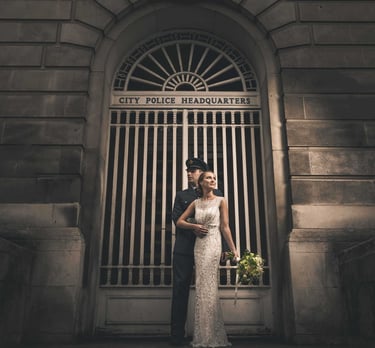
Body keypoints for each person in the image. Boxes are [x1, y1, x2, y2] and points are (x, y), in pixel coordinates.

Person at [176, 171, 239, 348]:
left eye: (214, 178)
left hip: (213, 244)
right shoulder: (196, 203)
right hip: (199, 246)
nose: (213, 180)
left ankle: (212, 335)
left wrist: (233, 250)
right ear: (202, 182)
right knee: (202, 287)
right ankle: (202, 335)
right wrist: (194, 226)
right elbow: (180, 221)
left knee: (210, 286)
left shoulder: (221, 200)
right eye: (209, 178)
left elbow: (225, 227)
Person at [170, 158, 222, 346]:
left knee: (208, 290)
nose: (189, 173)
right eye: (188, 170)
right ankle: (176, 335)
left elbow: (222, 224)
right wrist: (194, 226)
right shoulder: (181, 195)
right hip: (184, 248)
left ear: (202, 173)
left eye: (193, 170)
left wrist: (222, 247)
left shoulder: (217, 195)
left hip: (208, 247)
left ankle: (207, 335)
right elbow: (176, 219)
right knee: (180, 290)